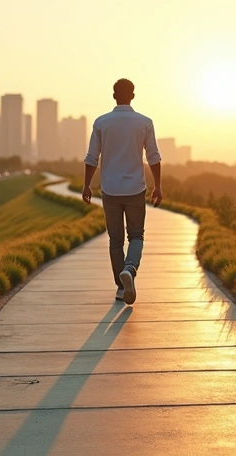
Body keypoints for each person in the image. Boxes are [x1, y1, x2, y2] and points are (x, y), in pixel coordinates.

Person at [82, 78, 163, 305]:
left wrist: (86, 185)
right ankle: (130, 269)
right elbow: (154, 157)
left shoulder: (101, 123)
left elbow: (92, 158)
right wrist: (158, 186)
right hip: (136, 188)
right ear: (133, 96)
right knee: (136, 236)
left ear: (114, 95)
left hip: (110, 189)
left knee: (115, 241)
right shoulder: (144, 122)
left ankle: (121, 287)